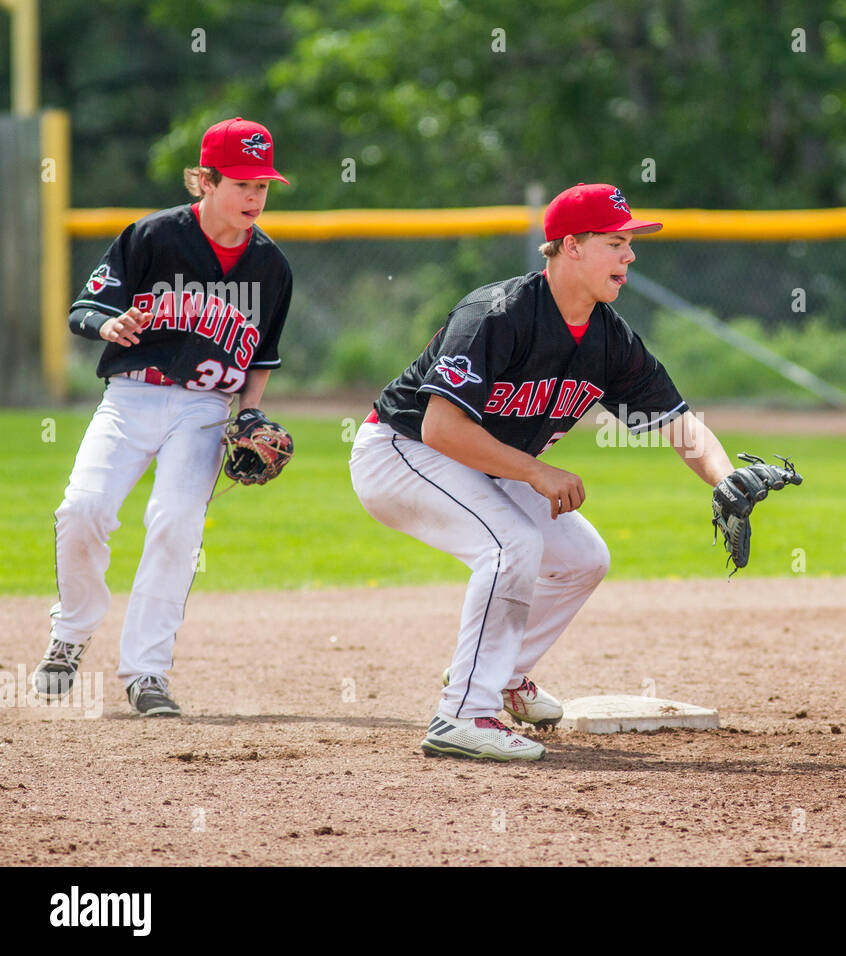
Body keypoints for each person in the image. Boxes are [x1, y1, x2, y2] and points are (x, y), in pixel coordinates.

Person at [350, 183, 742, 761]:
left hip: (487, 465)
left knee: (583, 560)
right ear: (569, 247)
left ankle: (503, 674)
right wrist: (535, 471)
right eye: (616, 242)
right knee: (512, 544)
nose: (630, 255)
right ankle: (464, 713)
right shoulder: (497, 314)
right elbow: (441, 429)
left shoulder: (610, 338)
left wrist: (724, 478)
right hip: (402, 451)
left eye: (630, 242)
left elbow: (679, 423)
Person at [32, 117, 294, 717]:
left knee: (176, 522)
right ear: (205, 180)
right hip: (131, 397)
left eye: (263, 187)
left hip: (206, 409)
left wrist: (249, 418)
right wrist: (109, 324)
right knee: (83, 509)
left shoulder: (271, 267)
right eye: (242, 184)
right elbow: (85, 307)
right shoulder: (152, 237)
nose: (255, 198)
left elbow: (262, 358)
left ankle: (146, 672)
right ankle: (70, 634)